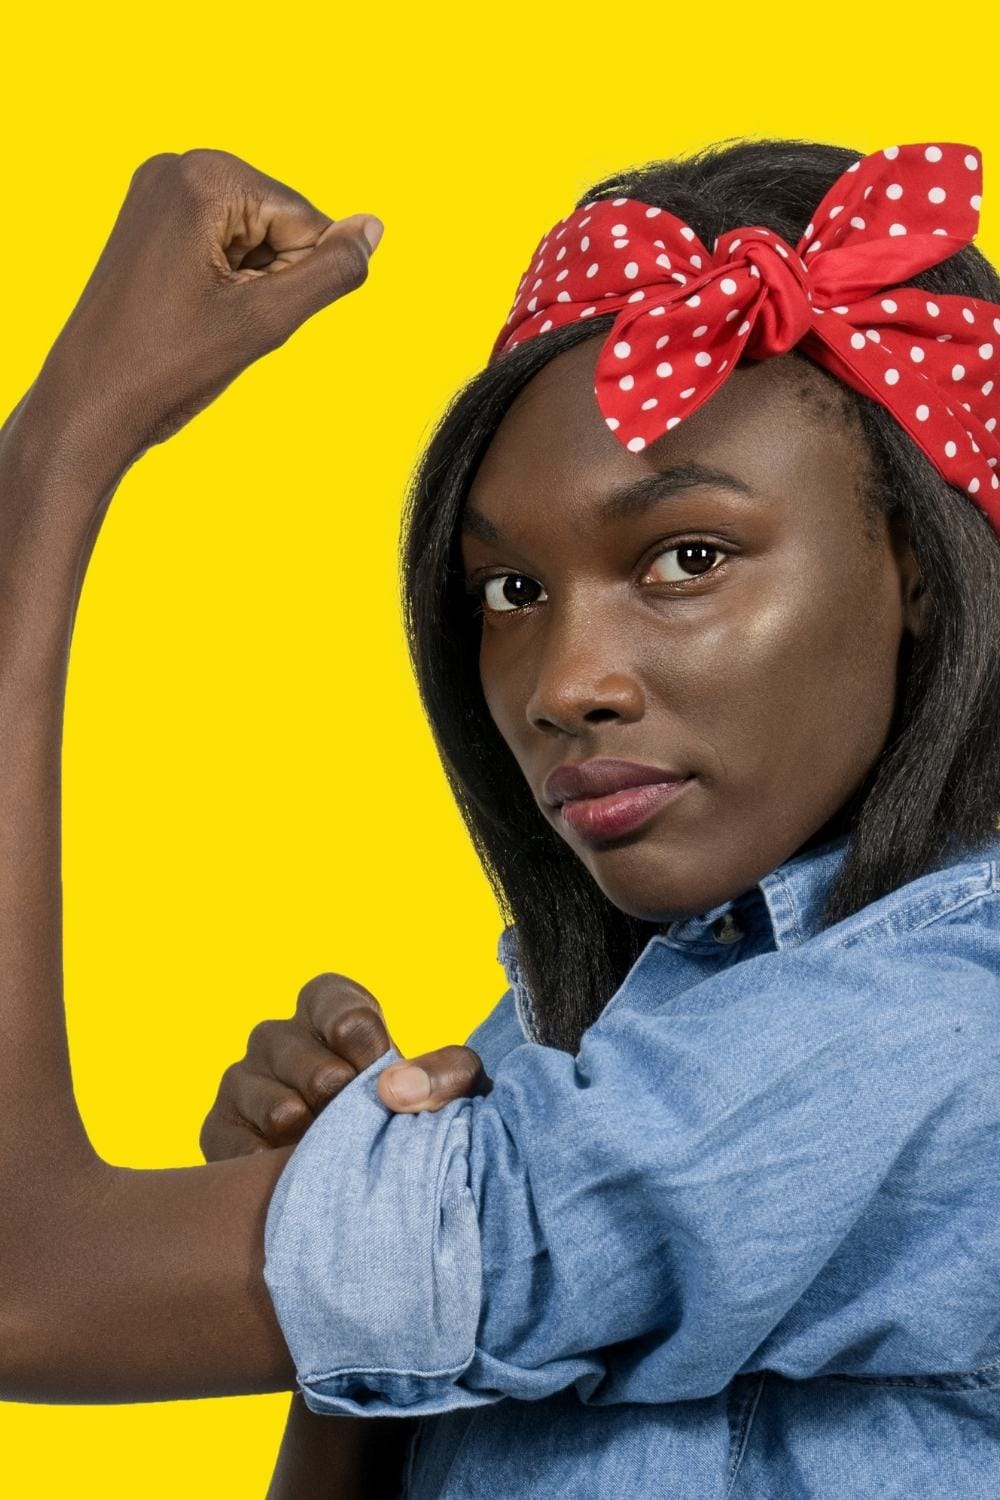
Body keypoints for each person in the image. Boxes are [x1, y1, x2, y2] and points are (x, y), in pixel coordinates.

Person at [1, 134, 999, 1499]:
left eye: (686, 558)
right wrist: (336, 1283)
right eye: (511, 592)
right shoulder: (603, 1042)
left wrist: (59, 449)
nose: (565, 685)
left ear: (919, 568)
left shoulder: (931, 1042)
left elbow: (25, 1283)